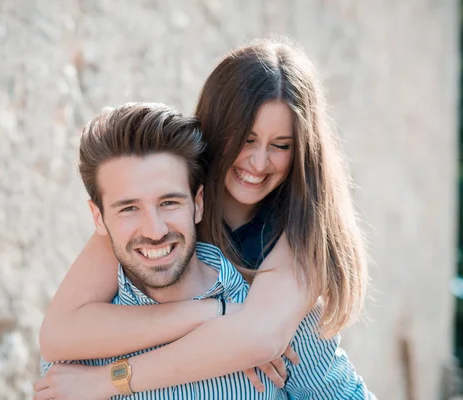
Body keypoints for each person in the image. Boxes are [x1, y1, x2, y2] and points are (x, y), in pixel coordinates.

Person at [37, 37, 370, 397]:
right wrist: (214, 311)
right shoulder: (155, 202)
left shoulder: (302, 227)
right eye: (246, 139)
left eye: (281, 145)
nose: (259, 163)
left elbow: (256, 338)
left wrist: (107, 381)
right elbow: (58, 335)